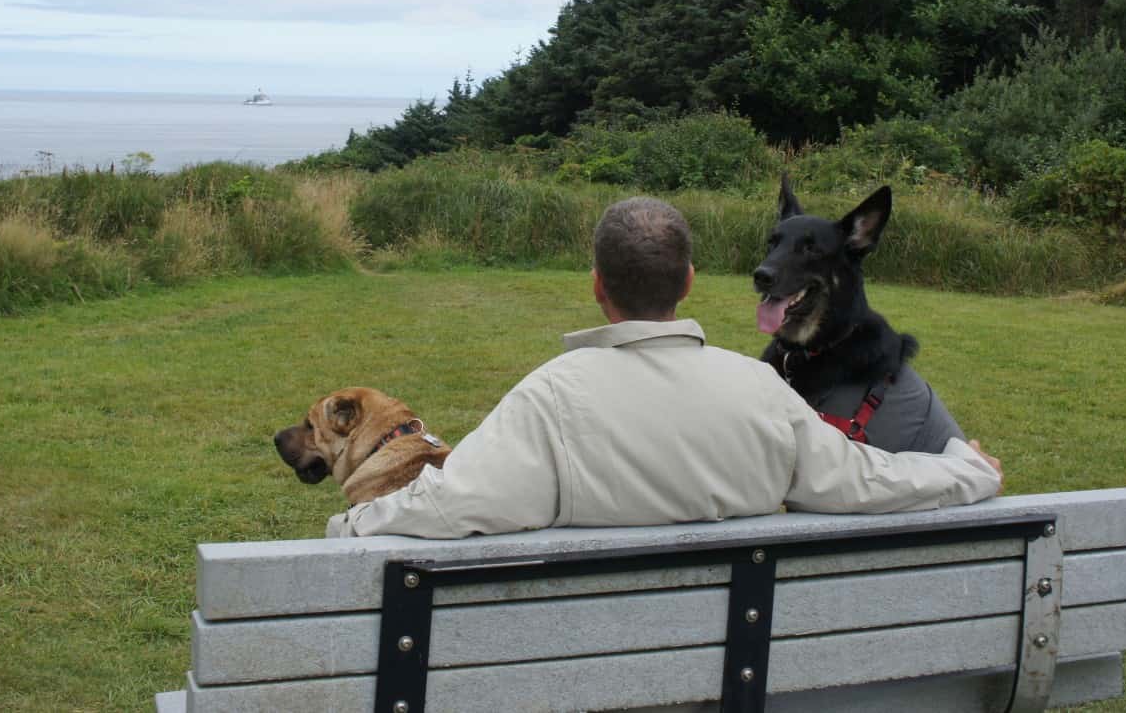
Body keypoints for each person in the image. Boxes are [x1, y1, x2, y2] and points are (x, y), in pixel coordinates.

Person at [327, 197, 1002, 538]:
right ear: (688, 280)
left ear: (597, 285)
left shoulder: (550, 399)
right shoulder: (763, 390)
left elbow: (448, 504)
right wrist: (968, 468)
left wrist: (347, 525)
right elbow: (868, 480)